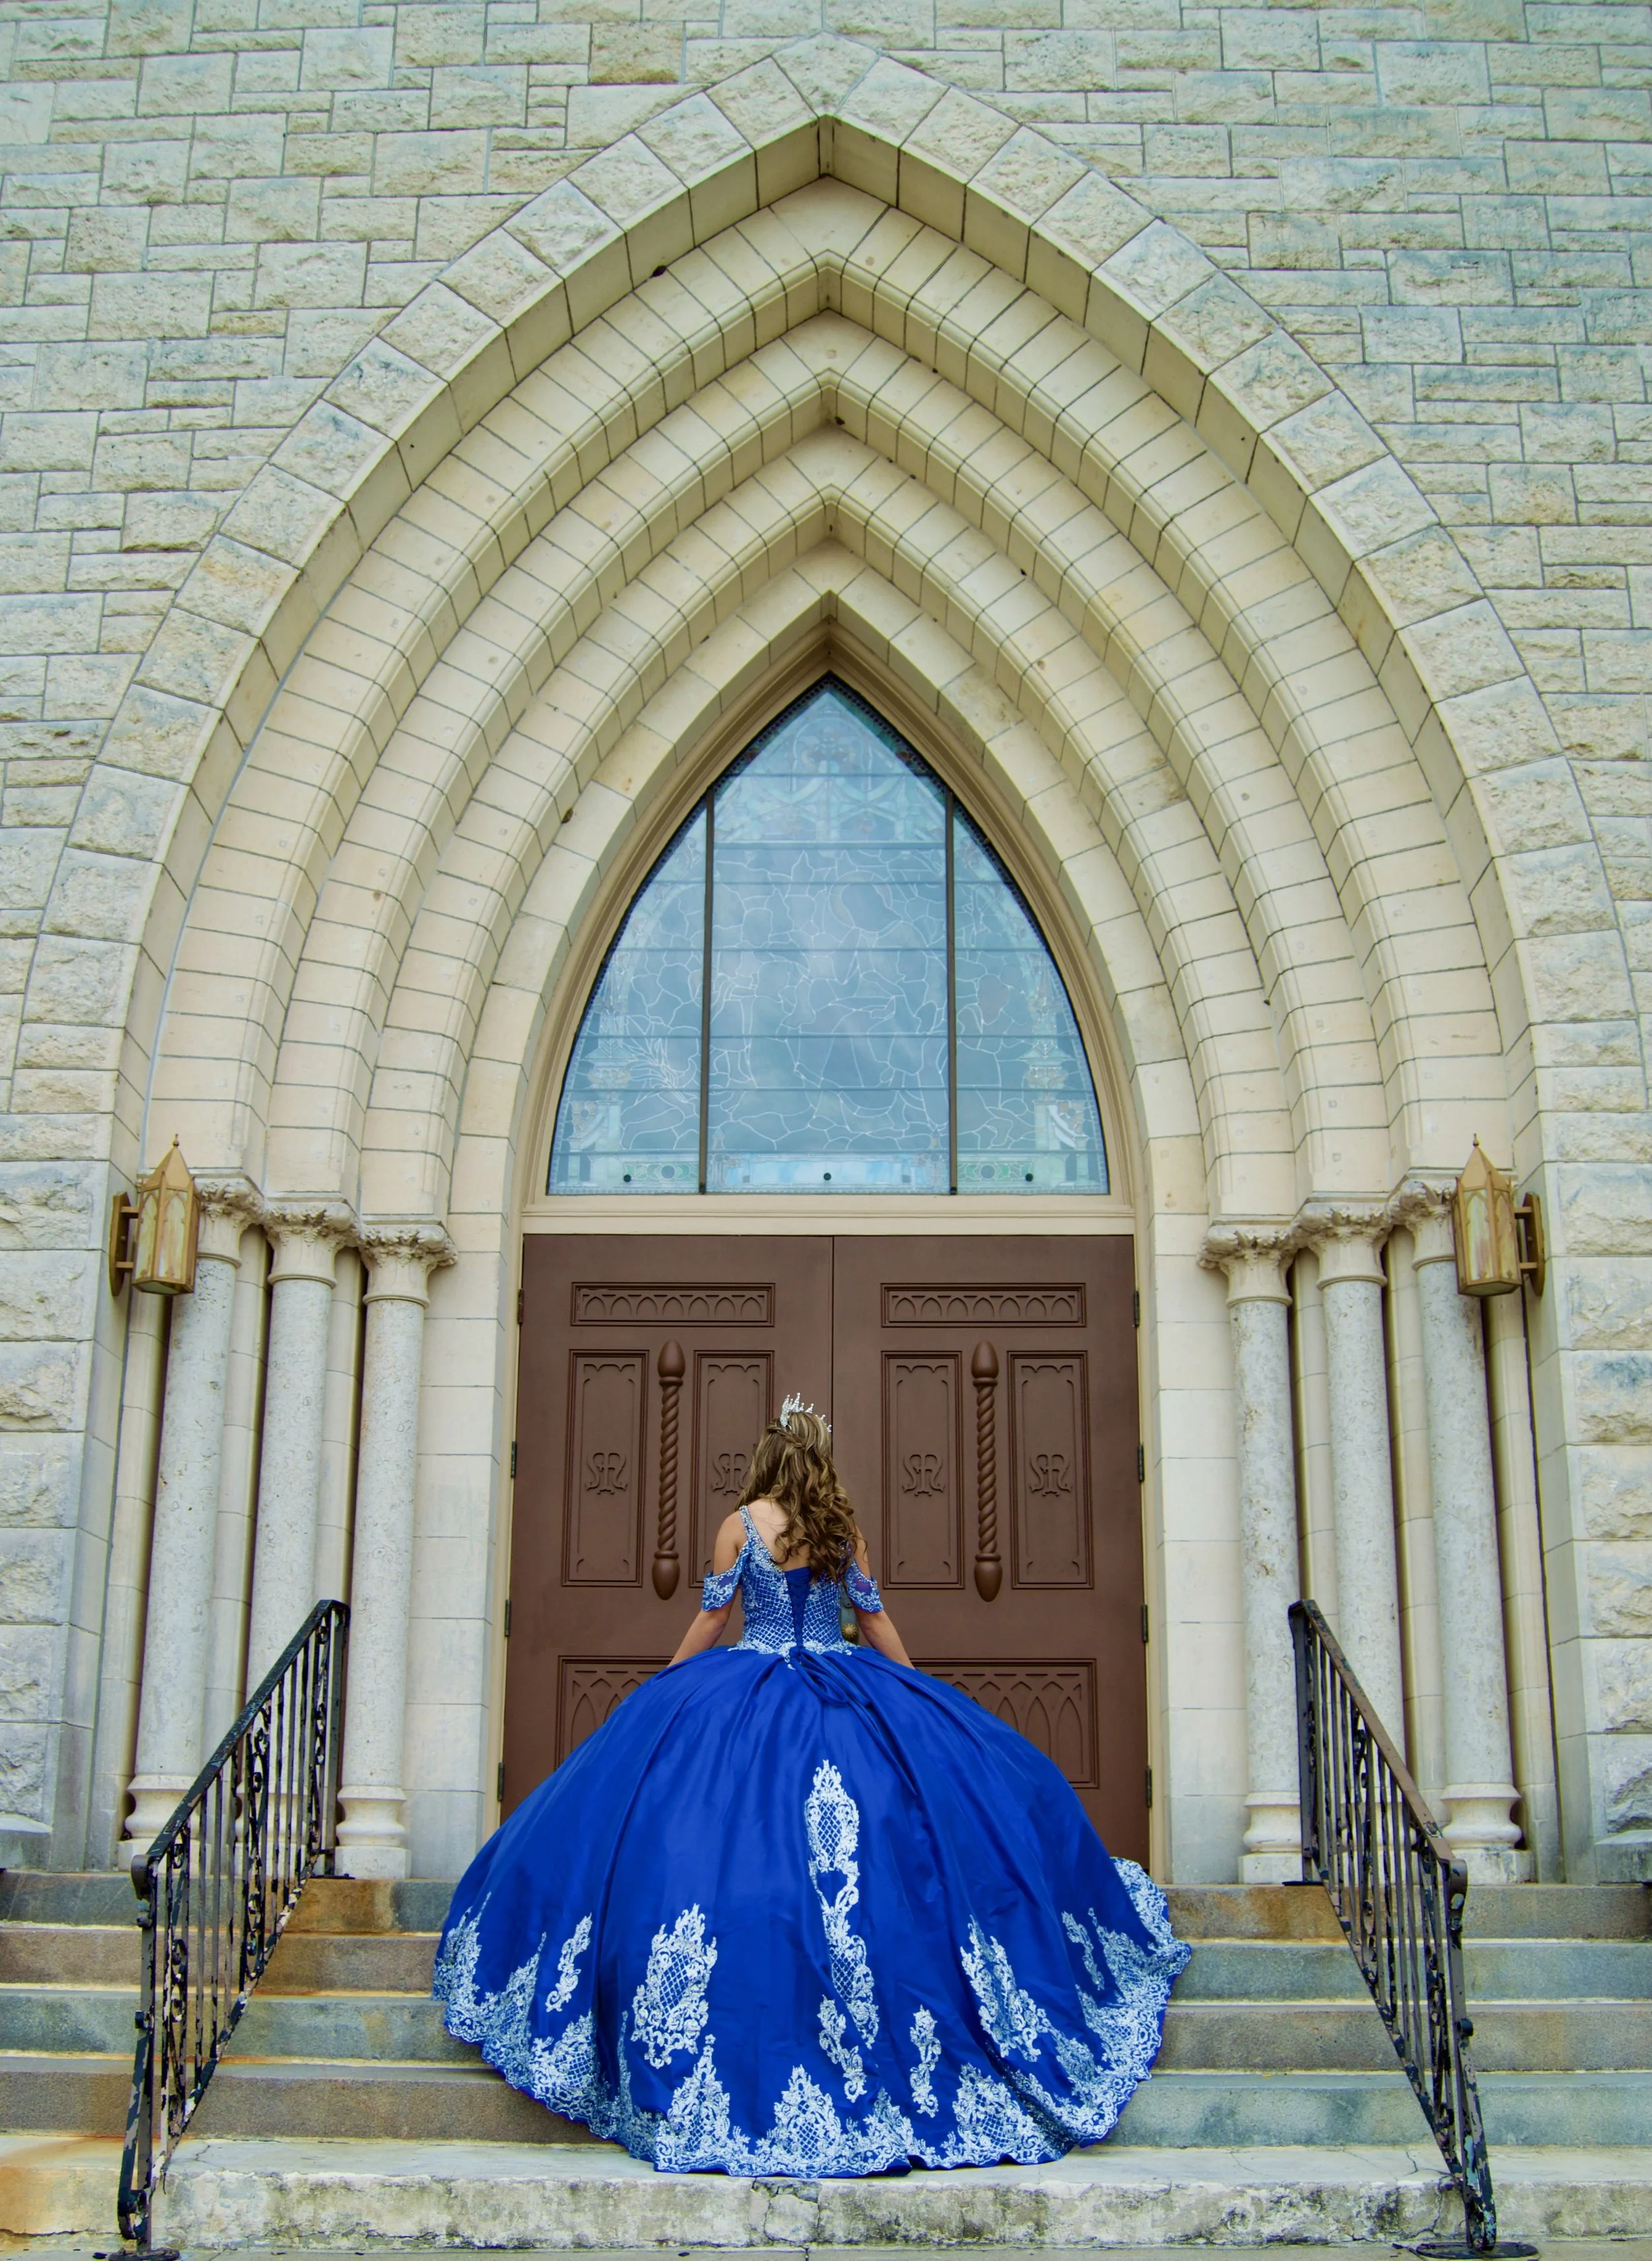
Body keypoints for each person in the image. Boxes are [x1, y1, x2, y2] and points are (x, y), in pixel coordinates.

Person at [433, 1400, 1189, 2176]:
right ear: (817, 1465)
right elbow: (876, 1618)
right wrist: (918, 1692)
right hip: (840, 1681)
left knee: (721, 1841)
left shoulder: (739, 1525)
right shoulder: (841, 1529)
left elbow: (712, 1621)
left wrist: (664, 1686)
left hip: (750, 1680)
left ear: (766, 1461)